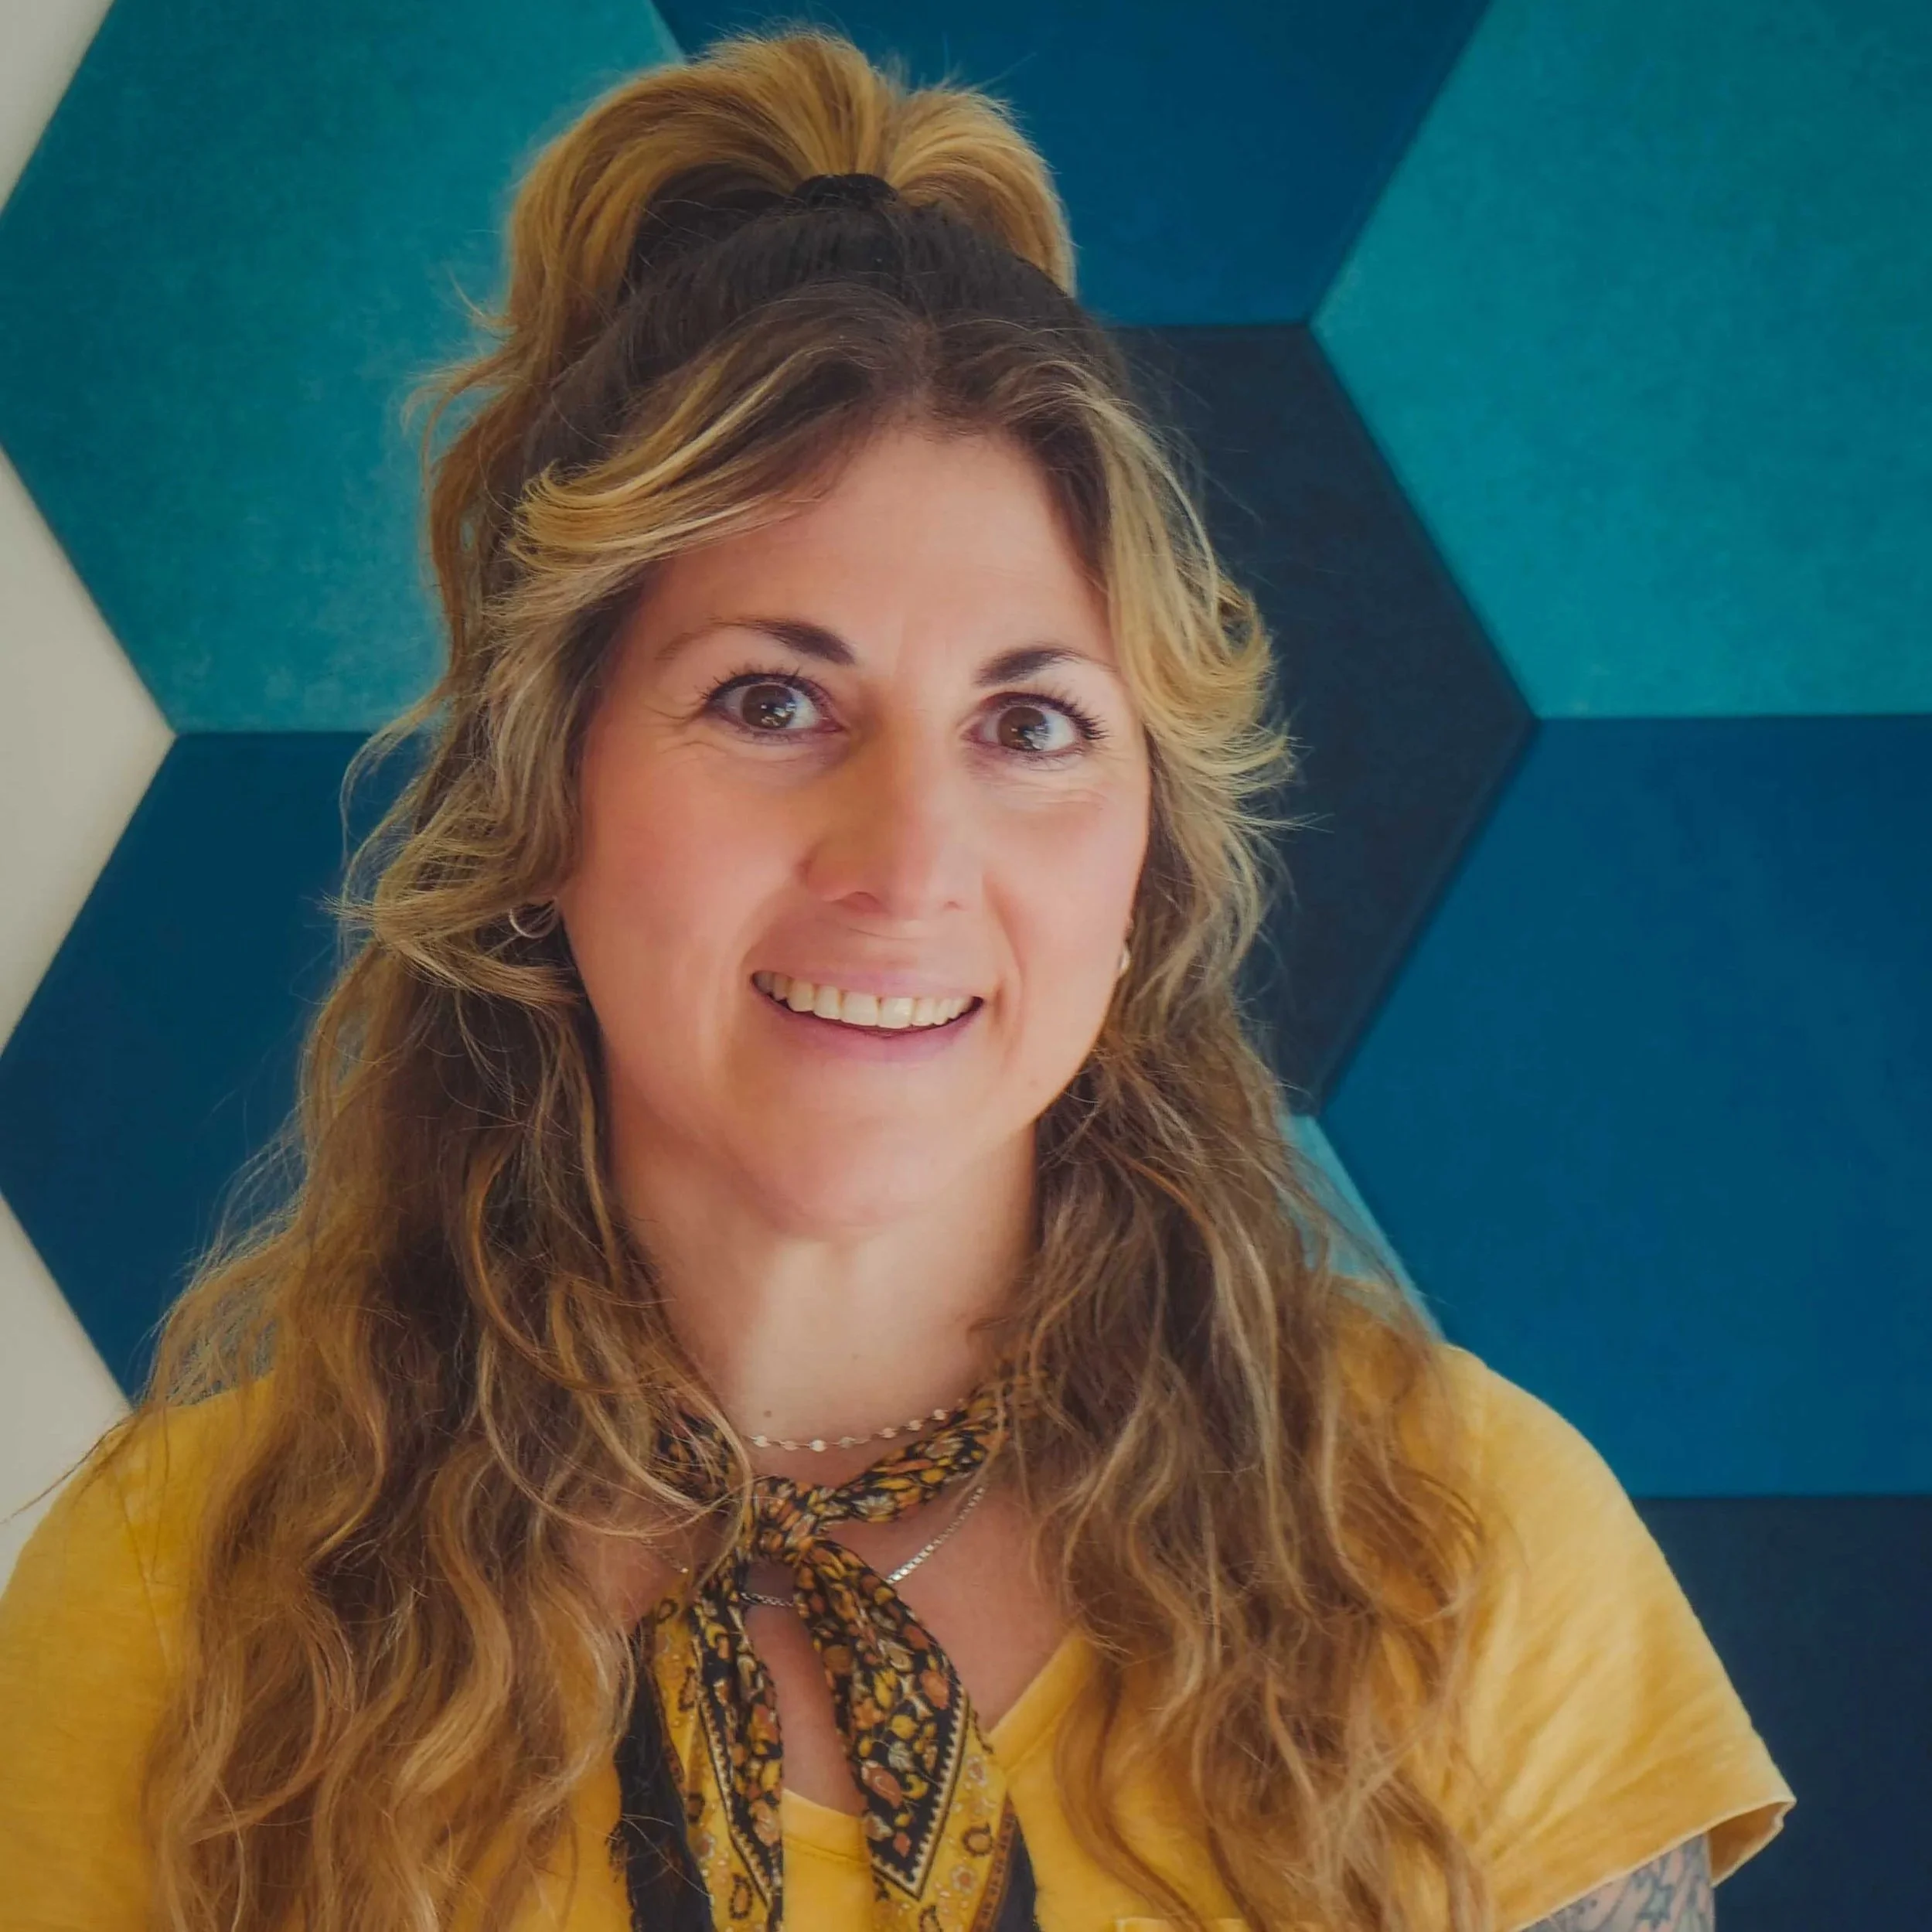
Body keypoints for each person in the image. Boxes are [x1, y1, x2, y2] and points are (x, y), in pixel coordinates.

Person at [0, 27, 1791, 1932]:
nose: (910, 861)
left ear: (1142, 858)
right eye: (772, 702)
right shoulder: (182, 1598)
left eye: (1030, 723)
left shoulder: (1458, 1550)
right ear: (546, 797)